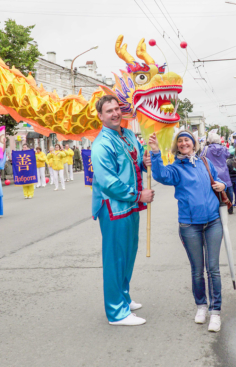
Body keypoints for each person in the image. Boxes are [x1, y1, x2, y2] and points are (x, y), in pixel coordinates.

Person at [147, 130, 225, 333]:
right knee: (197, 270)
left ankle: (215, 312)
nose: (184, 143)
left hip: (213, 222)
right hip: (190, 225)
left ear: (194, 143)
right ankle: (201, 306)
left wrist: (222, 185)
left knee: (213, 269)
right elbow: (161, 175)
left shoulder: (204, 162)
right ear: (177, 145)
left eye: (187, 140)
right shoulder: (175, 168)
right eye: (180, 141)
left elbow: (218, 180)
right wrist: (155, 152)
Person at [91, 95, 154, 326]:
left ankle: (123, 298)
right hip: (113, 207)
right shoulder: (101, 144)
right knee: (115, 258)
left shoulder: (127, 134)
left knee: (128, 254)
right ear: (101, 116)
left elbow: (134, 164)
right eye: (109, 111)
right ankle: (116, 312)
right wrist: (139, 195)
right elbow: (108, 182)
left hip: (130, 206)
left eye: (117, 109)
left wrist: (145, 160)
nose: (115, 113)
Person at [201, 132, 233, 214]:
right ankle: (230, 208)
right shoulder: (224, 148)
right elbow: (228, 155)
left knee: (213, 190)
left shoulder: (206, 149)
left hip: (212, 172)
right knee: (226, 189)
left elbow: (201, 158)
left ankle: (216, 208)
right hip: (224, 171)